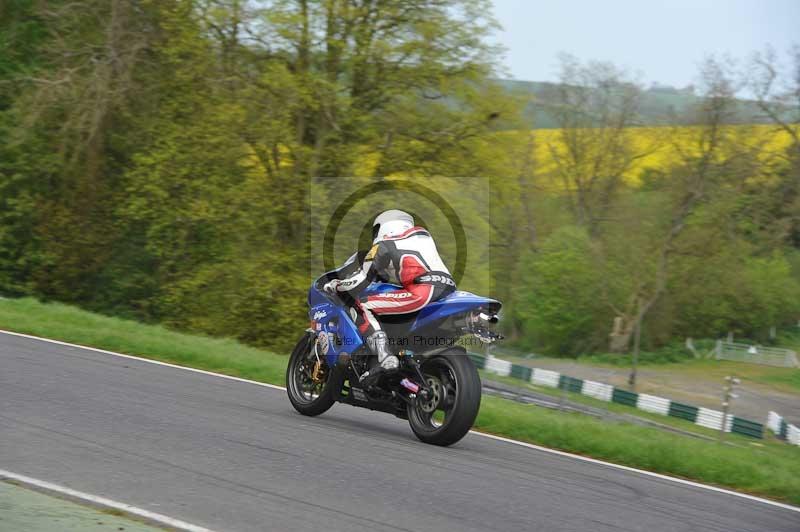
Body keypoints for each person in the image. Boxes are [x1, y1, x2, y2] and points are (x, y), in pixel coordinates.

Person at [323, 210, 456, 386]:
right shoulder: (423, 239)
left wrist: (336, 285)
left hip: (422, 291)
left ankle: (385, 356)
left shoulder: (385, 245)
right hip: (448, 290)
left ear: (384, 227)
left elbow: (360, 282)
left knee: (363, 304)